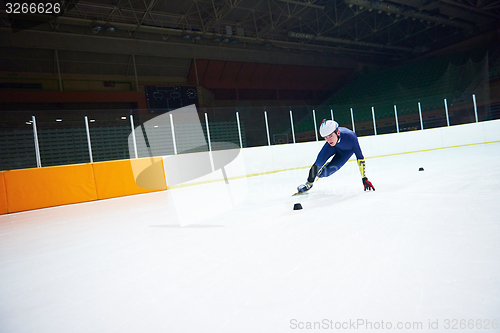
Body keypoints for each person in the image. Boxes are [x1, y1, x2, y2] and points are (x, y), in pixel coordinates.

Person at [297, 119, 375, 193]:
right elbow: (316, 164)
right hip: (332, 148)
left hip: (345, 153)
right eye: (326, 137)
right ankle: (308, 184)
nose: (328, 140)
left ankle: (324, 169)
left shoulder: (351, 137)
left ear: (338, 133)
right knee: (318, 163)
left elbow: (360, 157)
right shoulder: (330, 142)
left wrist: (364, 178)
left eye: (330, 136)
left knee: (324, 174)